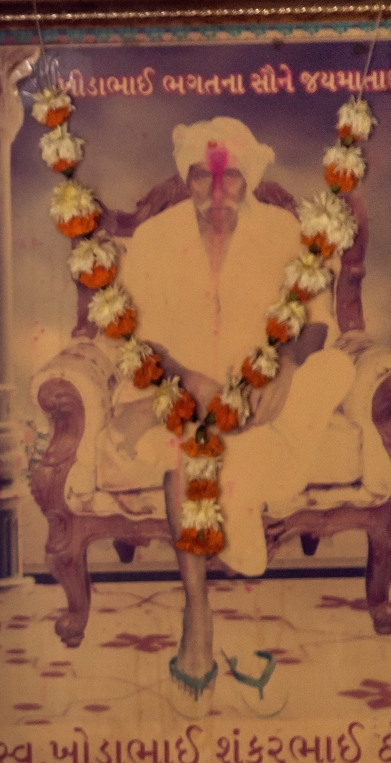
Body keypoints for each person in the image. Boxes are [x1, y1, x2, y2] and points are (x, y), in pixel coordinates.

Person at [119, 117, 356, 695]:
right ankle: (197, 613)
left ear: (249, 178)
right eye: (203, 177)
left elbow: (317, 320)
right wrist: (188, 378)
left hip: (261, 388)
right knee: (186, 436)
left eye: (229, 179)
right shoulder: (155, 237)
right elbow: (134, 335)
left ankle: (244, 464)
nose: (216, 192)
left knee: (336, 367)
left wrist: (288, 369)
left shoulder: (283, 231)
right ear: (188, 177)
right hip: (177, 385)